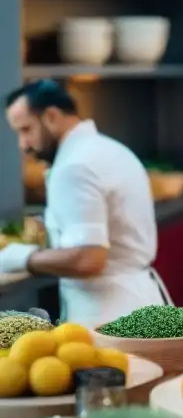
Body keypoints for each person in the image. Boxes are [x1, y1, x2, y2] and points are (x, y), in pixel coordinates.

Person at [1, 80, 171, 327]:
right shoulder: (109, 149)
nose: (23, 144)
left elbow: (89, 259)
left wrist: (21, 258)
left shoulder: (74, 166)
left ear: (51, 116)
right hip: (136, 300)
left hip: (108, 314)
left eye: (26, 130)